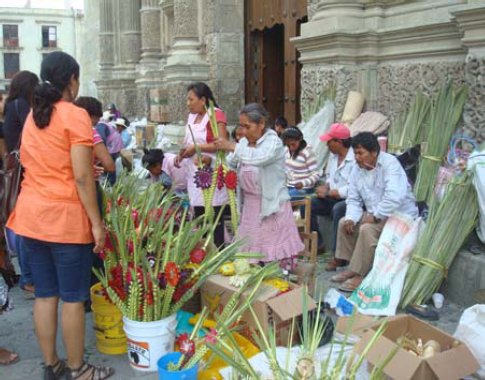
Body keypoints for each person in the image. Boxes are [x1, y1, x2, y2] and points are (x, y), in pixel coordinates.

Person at [6, 51, 113, 379]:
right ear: (72, 80)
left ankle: (52, 365)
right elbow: (82, 177)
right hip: (64, 221)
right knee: (72, 298)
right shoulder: (74, 115)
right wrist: (97, 223)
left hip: (31, 217)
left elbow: (36, 162)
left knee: (45, 294)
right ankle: (79, 369)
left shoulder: (34, 115)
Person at [214, 103, 304, 266]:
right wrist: (217, 162)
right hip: (250, 208)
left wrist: (231, 146)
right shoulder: (243, 143)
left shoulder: (273, 142)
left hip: (271, 208)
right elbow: (231, 162)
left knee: (272, 259)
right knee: (249, 259)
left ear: (261, 124)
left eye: (247, 126)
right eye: (241, 126)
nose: (242, 131)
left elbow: (260, 158)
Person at [331, 132, 418, 292]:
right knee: (345, 223)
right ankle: (352, 267)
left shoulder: (389, 164)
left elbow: (394, 196)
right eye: (355, 153)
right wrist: (352, 217)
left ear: (374, 152)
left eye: (360, 153)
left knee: (367, 229)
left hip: (397, 216)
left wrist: (375, 216)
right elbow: (354, 198)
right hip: (376, 214)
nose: (357, 157)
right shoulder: (357, 169)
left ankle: (361, 275)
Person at [176, 82, 229, 248]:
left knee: (213, 216)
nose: (188, 103)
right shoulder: (191, 117)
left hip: (211, 171)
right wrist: (184, 152)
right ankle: (206, 253)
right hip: (194, 173)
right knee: (200, 215)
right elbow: (189, 141)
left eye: (191, 99)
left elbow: (222, 143)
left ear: (203, 99)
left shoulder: (216, 114)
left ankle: (219, 252)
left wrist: (197, 149)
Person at [2, 71, 39, 297]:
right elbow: (35, 134)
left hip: (15, 171)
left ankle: (28, 276)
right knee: (27, 228)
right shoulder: (22, 105)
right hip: (24, 171)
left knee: (23, 225)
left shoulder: (10, 106)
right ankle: (28, 278)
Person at [311, 123, 355, 270]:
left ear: (339, 142)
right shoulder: (333, 157)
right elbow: (330, 178)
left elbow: (355, 188)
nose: (327, 144)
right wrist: (326, 187)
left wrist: (331, 192)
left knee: (338, 209)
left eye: (329, 141)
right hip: (333, 196)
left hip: (350, 200)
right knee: (311, 204)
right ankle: (318, 244)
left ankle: (338, 256)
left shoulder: (355, 158)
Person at [281, 127, 319, 200]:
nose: (291, 148)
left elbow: (316, 175)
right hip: (289, 187)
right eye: (288, 145)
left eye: (293, 144)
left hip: (304, 189)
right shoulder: (286, 151)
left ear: (300, 139)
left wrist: (303, 183)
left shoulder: (307, 152)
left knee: (284, 199)